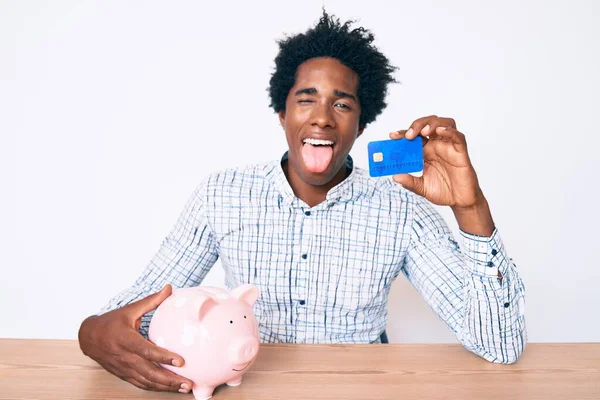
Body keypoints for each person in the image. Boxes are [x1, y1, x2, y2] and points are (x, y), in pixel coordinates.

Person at [78, 10, 527, 394]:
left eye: (342, 104)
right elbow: (136, 309)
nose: (321, 117)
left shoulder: (401, 207)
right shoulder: (223, 195)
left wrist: (470, 208)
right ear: (283, 113)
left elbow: (500, 345)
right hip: (248, 387)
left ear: (361, 123)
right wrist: (93, 331)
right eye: (306, 99)